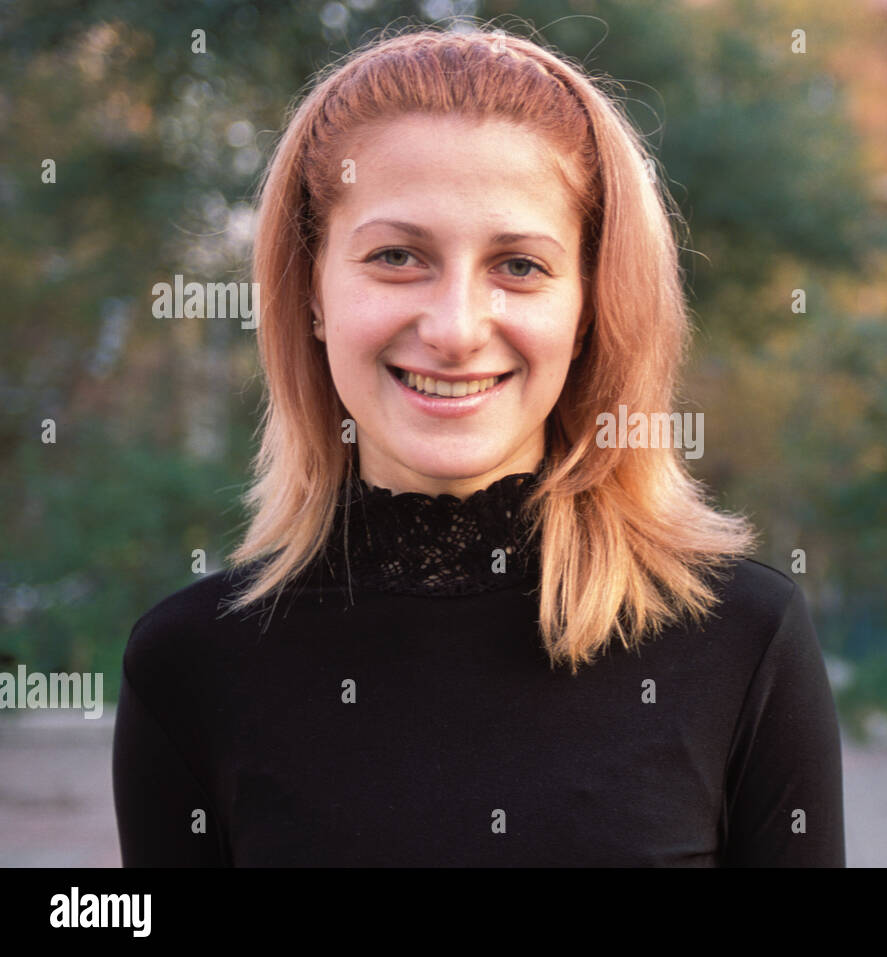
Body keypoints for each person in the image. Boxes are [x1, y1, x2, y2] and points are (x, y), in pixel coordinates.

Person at [111, 25, 845, 866]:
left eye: (520, 266)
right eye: (397, 256)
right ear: (311, 290)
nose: (456, 329)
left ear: (590, 309)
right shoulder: (188, 666)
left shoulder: (742, 641)